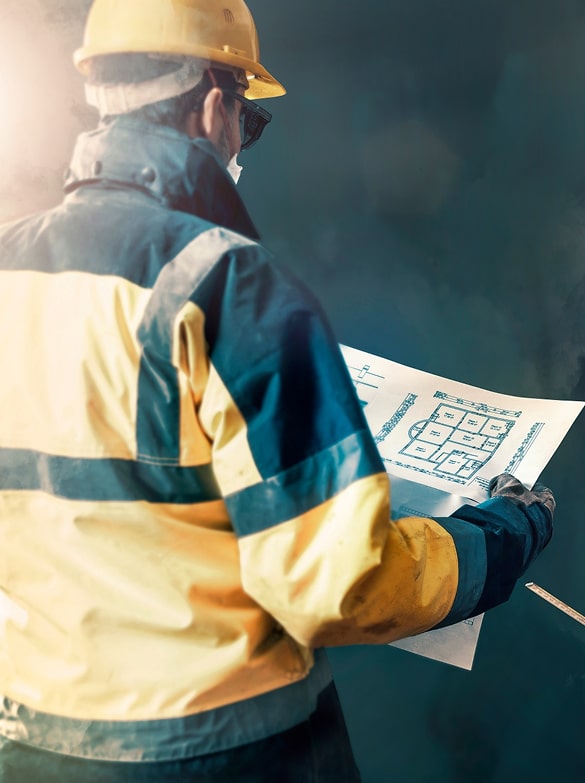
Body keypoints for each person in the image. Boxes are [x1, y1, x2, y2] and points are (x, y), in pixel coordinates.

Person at [0, 1, 555, 780]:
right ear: (214, 104)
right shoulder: (226, 284)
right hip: (224, 753)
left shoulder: (8, 268)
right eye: (248, 121)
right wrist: (502, 536)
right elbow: (339, 583)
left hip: (33, 747)